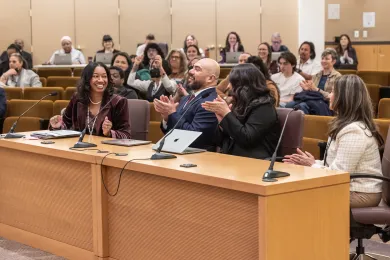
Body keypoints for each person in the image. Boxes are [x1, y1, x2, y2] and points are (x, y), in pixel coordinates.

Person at [284, 75, 383, 208]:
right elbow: (336, 165)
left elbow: (339, 174)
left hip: (361, 193)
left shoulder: (354, 131)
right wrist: (312, 163)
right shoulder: (345, 124)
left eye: (333, 92)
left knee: (301, 196)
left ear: (344, 97)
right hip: (351, 187)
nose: (329, 96)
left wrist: (313, 165)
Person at [202, 63, 280, 159]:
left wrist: (227, 114)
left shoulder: (264, 106)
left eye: (232, 83)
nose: (228, 87)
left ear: (243, 84)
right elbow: (219, 142)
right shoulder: (240, 103)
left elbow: (247, 138)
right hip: (233, 158)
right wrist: (222, 122)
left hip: (255, 160)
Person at [49, 62, 131, 139]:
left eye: (104, 76)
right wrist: (58, 126)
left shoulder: (118, 102)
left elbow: (126, 135)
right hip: (80, 149)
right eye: (95, 76)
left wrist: (109, 133)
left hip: (107, 150)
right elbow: (66, 124)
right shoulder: (77, 98)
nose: (101, 80)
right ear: (87, 79)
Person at [153, 58, 219, 150]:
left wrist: (172, 114)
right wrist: (167, 118)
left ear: (210, 78)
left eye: (197, 69)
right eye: (192, 68)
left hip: (199, 158)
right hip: (178, 152)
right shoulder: (186, 98)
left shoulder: (211, 102)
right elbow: (171, 133)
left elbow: (194, 136)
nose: (190, 71)